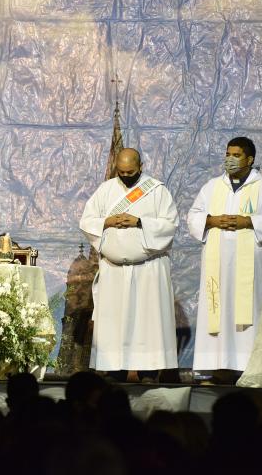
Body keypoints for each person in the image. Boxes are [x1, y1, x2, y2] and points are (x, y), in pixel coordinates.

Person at [79, 148, 179, 382]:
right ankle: (115, 370)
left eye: (130, 172)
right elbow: (86, 221)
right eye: (121, 172)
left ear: (140, 166)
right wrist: (108, 221)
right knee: (115, 324)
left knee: (147, 323)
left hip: (148, 269)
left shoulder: (156, 190)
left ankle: (148, 372)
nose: (125, 176)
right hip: (114, 271)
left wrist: (139, 222)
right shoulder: (106, 190)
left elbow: (170, 225)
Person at [187, 137, 262, 382]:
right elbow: (194, 215)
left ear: (250, 159)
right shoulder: (212, 186)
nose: (230, 159)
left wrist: (248, 221)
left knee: (249, 311)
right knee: (218, 310)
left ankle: (249, 365)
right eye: (228, 154)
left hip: (251, 265)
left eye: (236, 155)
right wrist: (212, 220)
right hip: (218, 263)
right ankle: (219, 366)